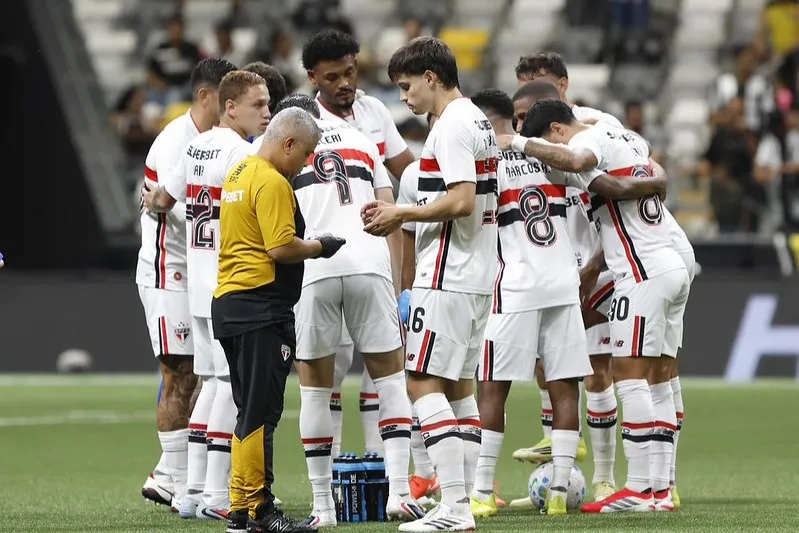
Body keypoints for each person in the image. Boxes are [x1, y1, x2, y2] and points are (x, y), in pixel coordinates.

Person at [502, 99, 689, 513]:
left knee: (628, 378)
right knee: (657, 381)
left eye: (545, 141)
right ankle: (660, 490)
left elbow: (576, 157)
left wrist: (517, 143)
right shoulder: (629, 139)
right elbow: (610, 181)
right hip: (669, 265)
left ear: (555, 129)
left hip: (642, 274)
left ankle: (639, 489)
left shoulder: (589, 138)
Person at [253, 94, 422, 526]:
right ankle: (399, 493)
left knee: (315, 390)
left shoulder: (275, 150)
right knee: (390, 379)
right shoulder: (363, 140)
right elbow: (391, 212)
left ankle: (323, 508)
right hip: (369, 262)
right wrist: (400, 282)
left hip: (314, 266)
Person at [362, 37, 499, 532]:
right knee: (460, 390)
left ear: (432, 78)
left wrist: (403, 211)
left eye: (406, 86)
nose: (404, 97)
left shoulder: (452, 127)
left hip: (448, 273)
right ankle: (461, 500)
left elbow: (461, 200)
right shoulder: (479, 120)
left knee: (419, 380)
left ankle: (457, 508)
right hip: (479, 272)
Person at [143, 70, 271, 520]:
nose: (267, 114)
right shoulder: (241, 152)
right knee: (226, 388)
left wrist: (154, 202)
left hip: (195, 285)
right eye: (258, 105)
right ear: (229, 105)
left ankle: (193, 492)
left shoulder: (195, 147)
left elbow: (161, 199)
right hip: (227, 281)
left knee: (209, 385)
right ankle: (217, 495)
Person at [211, 107, 345, 533]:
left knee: (248, 408)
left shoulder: (238, 174)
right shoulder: (271, 181)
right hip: (260, 307)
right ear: (287, 143)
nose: (305, 163)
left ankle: (239, 508)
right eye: (304, 154)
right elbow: (280, 248)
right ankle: (257, 511)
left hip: (231, 302)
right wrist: (320, 246)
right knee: (260, 411)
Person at [466, 89, 593, 517]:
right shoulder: (548, 155)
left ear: (484, 122)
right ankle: (558, 492)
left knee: (492, 386)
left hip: (515, 287)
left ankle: (482, 491)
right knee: (564, 386)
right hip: (562, 284)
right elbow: (582, 168)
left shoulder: (485, 164)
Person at [301, 28, 415, 460]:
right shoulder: (300, 120)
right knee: (328, 376)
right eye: (332, 77)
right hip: (323, 259)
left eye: (349, 72)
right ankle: (330, 474)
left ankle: (379, 463)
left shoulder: (374, 111)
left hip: (372, 258)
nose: (344, 83)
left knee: (381, 371)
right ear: (313, 77)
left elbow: (407, 171)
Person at [137, 57, 237, 511]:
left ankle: (169, 474)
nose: (233, 108)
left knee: (203, 375)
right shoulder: (174, 142)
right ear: (205, 96)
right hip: (168, 269)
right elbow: (180, 214)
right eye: (227, 99)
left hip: (198, 269)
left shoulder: (220, 140)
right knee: (180, 372)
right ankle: (175, 475)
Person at [508, 80, 615, 502]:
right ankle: (560, 471)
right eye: (516, 119)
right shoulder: (528, 153)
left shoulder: (592, 132)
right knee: (547, 369)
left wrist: (596, 264)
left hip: (595, 272)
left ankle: (605, 476)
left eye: (525, 115)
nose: (520, 125)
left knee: (597, 371)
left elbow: (613, 207)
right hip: (554, 277)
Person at [514, 53, 624, 127]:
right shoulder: (517, 133)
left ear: (562, 85)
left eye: (537, 90)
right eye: (523, 92)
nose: (529, 98)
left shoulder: (601, 122)